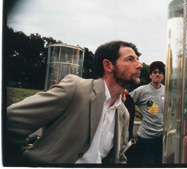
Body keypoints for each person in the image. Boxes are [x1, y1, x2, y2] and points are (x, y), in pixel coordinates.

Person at [5, 40, 143, 165]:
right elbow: (9, 121)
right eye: (130, 59)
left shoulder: (123, 113)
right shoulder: (76, 89)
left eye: (138, 59)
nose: (140, 65)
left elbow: (119, 158)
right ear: (108, 65)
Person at [130, 61, 165, 164]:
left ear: (163, 76)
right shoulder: (141, 91)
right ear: (150, 75)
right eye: (154, 72)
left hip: (161, 137)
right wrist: (138, 114)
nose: (157, 74)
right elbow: (126, 102)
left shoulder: (167, 91)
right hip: (146, 137)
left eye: (160, 72)